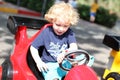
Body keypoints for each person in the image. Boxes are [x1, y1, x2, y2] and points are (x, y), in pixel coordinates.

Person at [30, 2, 79, 80]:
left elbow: (74, 47)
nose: (61, 29)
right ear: (52, 20)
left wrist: (65, 52)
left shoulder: (69, 33)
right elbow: (33, 47)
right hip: (49, 65)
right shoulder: (46, 32)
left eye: (65, 26)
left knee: (86, 59)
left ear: (70, 24)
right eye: (58, 25)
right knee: (53, 78)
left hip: (65, 63)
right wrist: (39, 62)